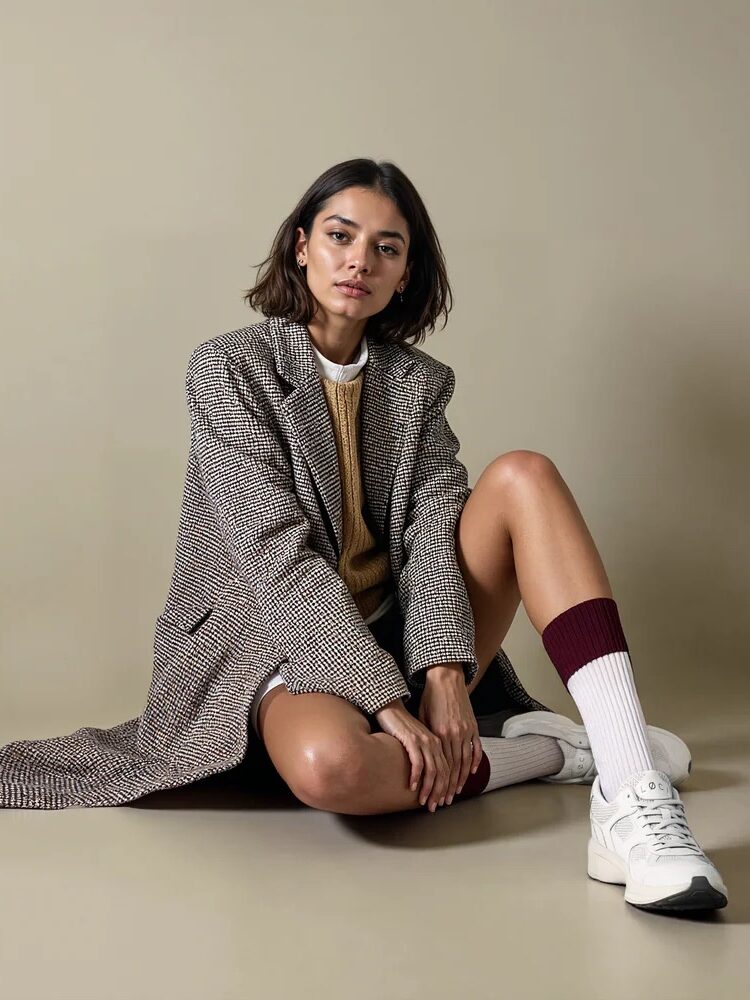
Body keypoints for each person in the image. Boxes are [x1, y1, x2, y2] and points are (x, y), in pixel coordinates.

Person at [0, 157, 727, 915]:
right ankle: (570, 752)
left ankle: (634, 792)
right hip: (275, 638)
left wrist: (446, 673)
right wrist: (386, 700)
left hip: (410, 630)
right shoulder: (228, 369)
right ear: (301, 248)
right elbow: (276, 560)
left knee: (524, 477)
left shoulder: (419, 384)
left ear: (406, 273)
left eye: (387, 246)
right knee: (330, 770)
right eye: (342, 236)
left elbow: (435, 537)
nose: (360, 260)